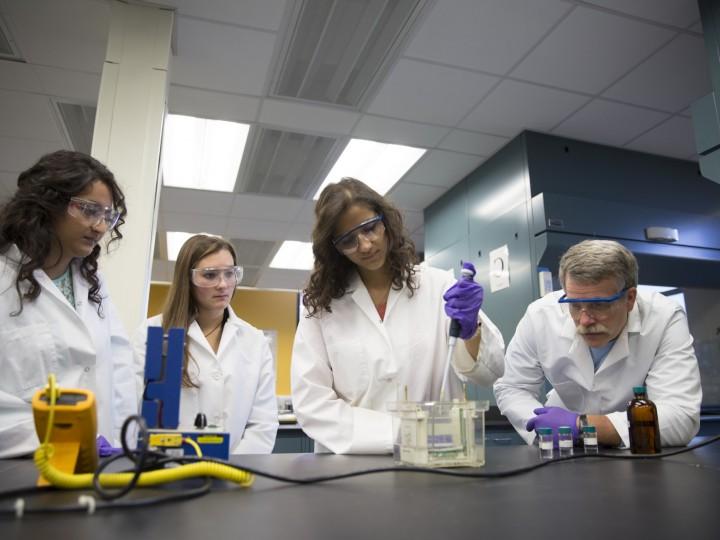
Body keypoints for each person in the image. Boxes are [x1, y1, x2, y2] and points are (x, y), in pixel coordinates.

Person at [291, 178, 505, 454]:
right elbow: (312, 403)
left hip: (437, 459)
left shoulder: (438, 285)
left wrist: (471, 331)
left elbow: (492, 372)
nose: (365, 245)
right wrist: (406, 432)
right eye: (348, 240)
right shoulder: (321, 309)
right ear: (334, 248)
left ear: (386, 222)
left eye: (369, 228)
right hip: (355, 467)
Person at [494, 239, 702, 448]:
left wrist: (581, 426)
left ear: (629, 298)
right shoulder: (540, 316)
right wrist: (542, 427)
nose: (585, 321)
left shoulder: (664, 317)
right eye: (574, 305)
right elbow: (512, 386)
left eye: (599, 305)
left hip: (635, 450)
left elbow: (681, 415)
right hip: (564, 451)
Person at [0, 150, 137, 458]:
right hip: (24, 462)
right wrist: (53, 438)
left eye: (107, 215)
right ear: (46, 204)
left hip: (98, 461)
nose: (100, 226)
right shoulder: (3, 278)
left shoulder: (93, 284)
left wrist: (123, 443)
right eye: (89, 210)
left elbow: (118, 368)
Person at [133, 234, 278, 454]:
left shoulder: (254, 341)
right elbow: (133, 409)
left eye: (230, 273)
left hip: (236, 470)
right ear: (187, 279)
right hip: (168, 471)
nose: (223, 284)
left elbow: (263, 424)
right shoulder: (151, 333)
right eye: (210, 275)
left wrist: (233, 469)